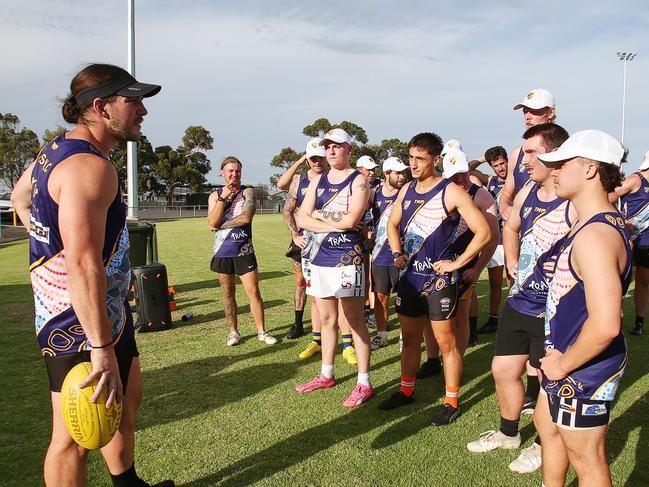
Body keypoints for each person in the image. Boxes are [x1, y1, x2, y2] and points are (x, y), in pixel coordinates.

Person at [10, 63, 173, 486]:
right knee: (73, 438)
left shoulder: (58, 148)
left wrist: (48, 245)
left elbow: (19, 198)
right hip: (79, 323)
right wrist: (99, 345)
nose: (143, 110)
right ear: (100, 107)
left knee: (124, 403)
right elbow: (82, 266)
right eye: (132, 100)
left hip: (105, 311)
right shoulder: (89, 168)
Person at [466, 123, 572, 475]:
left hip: (553, 311)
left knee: (547, 380)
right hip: (519, 302)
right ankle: (509, 433)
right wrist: (511, 261)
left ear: (553, 154)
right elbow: (509, 227)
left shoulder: (573, 199)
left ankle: (543, 444)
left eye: (529, 153)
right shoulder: (527, 191)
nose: (522, 160)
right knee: (502, 369)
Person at [535, 130, 629, 487]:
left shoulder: (594, 235)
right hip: (569, 356)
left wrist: (562, 364)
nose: (553, 171)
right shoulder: (591, 223)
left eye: (561, 164)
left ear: (590, 169)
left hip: (584, 366)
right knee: (546, 424)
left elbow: (606, 325)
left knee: (587, 460)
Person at [378, 132, 490, 426]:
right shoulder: (407, 190)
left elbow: (484, 232)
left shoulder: (451, 191)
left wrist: (457, 263)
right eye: (410, 158)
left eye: (420, 159)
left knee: (446, 344)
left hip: (439, 283)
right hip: (410, 280)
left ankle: (451, 401)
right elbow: (392, 223)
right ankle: (406, 391)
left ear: (436, 160)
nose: (413, 165)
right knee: (410, 340)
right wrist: (397, 251)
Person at [295, 128, 374, 408]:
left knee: (353, 322)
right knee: (326, 320)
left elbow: (353, 220)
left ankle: (364, 382)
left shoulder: (359, 180)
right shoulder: (318, 179)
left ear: (348, 149)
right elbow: (302, 218)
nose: (330, 151)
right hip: (319, 258)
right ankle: (326, 374)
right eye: (327, 146)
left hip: (347, 258)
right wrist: (332, 220)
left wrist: (319, 214)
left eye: (337, 146)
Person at [207, 157, 277, 346]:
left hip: (244, 250)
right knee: (228, 294)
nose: (234, 174)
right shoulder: (214, 196)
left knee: (253, 292)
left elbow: (246, 217)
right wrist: (223, 198)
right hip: (222, 252)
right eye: (230, 171)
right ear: (222, 172)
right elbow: (211, 223)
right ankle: (233, 332)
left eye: (237, 171)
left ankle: (262, 332)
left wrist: (220, 224)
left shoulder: (248, 192)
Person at [443, 148, 499, 351]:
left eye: (463, 173)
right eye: (454, 176)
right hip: (439, 266)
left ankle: (457, 359)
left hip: (465, 266)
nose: (460, 179)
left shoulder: (481, 196)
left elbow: (492, 238)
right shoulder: (438, 193)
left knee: (460, 318)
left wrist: (477, 270)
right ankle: (434, 360)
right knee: (439, 320)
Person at [279, 138, 328, 340]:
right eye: (313, 158)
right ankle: (298, 324)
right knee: (301, 282)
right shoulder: (299, 180)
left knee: (326, 285)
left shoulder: (334, 178)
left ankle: (330, 325)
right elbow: (287, 210)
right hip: (304, 240)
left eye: (320, 157)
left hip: (328, 239)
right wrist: (295, 235)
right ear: (308, 159)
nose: (317, 162)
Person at [368, 157, 409, 350]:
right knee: (381, 297)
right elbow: (361, 215)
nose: (402, 176)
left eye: (403, 172)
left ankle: (405, 336)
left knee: (404, 298)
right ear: (386, 174)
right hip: (379, 255)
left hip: (403, 256)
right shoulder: (373, 194)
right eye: (397, 173)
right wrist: (365, 231)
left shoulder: (408, 192)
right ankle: (382, 335)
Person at [499, 88, 556, 220]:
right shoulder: (517, 154)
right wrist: (506, 208)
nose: (528, 116)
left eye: (535, 111)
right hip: (523, 230)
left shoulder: (566, 150)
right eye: (525, 111)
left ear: (550, 113)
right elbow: (506, 195)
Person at [469, 146, 509, 334]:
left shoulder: (517, 180)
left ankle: (507, 316)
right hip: (495, 237)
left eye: (502, 163)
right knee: (494, 281)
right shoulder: (491, 180)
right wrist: (484, 158)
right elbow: (468, 169)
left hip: (511, 237)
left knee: (511, 279)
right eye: (496, 165)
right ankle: (493, 319)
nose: (501, 168)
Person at [614, 149, 649, 335]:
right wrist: (616, 218)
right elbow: (610, 195)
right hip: (630, 238)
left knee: (644, 280)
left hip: (647, 242)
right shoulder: (636, 180)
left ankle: (639, 321)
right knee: (622, 279)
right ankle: (611, 318)